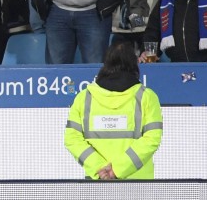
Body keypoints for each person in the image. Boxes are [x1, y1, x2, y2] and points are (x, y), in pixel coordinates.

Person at [64, 42, 163, 180]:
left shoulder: (84, 97)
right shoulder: (147, 97)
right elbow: (151, 139)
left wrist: (100, 168)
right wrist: (116, 169)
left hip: (98, 182)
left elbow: (72, 139)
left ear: (106, 63)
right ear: (134, 64)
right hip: (139, 184)